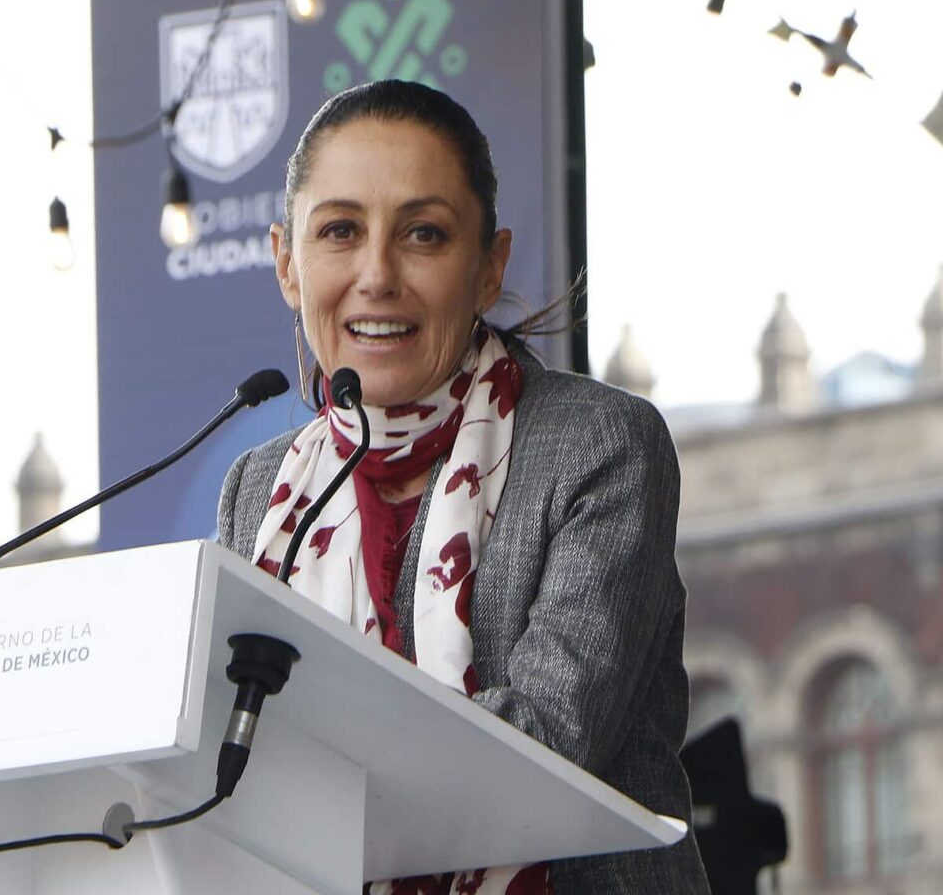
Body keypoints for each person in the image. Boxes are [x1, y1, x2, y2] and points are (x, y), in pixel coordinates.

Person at [216, 80, 710, 894]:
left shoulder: (598, 447)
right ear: (286, 265)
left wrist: (276, 769)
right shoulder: (257, 490)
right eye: (339, 230)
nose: (377, 275)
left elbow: (545, 741)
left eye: (423, 234)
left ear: (488, 267)